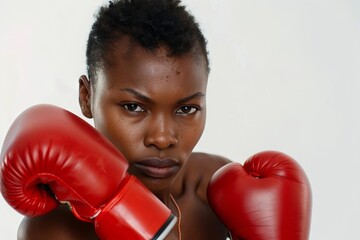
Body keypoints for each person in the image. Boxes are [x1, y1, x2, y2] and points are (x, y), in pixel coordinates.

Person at [2, 0, 311, 239]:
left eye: (186, 109)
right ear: (87, 97)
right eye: (134, 107)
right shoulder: (54, 231)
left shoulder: (217, 190)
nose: (163, 138)